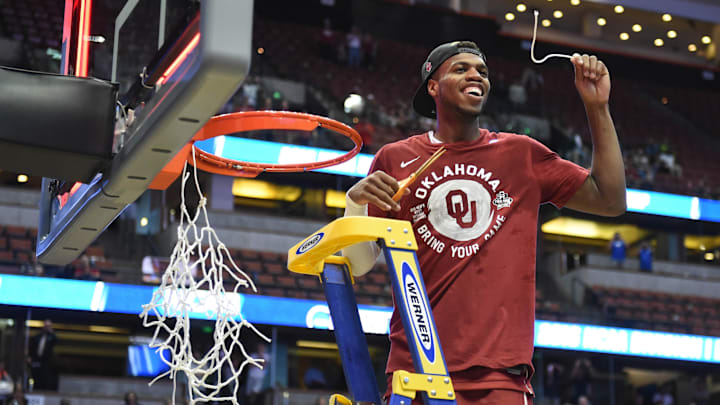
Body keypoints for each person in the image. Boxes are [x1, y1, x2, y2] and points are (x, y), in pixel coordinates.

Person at [342, 41, 626, 404]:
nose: (476, 74)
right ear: (433, 86)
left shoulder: (521, 153)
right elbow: (360, 264)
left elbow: (610, 198)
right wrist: (354, 202)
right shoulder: (395, 158)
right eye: (461, 68)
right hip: (415, 370)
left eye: (482, 70)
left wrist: (597, 107)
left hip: (500, 376)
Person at [28, 319, 57, 390]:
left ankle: (44, 390)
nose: (47, 328)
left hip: (46, 361)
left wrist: (51, 332)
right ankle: (34, 389)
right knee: (34, 376)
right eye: (46, 326)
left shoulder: (51, 337)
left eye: (48, 326)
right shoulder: (38, 336)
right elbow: (31, 347)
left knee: (45, 377)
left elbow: (56, 341)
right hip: (36, 360)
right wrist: (29, 356)